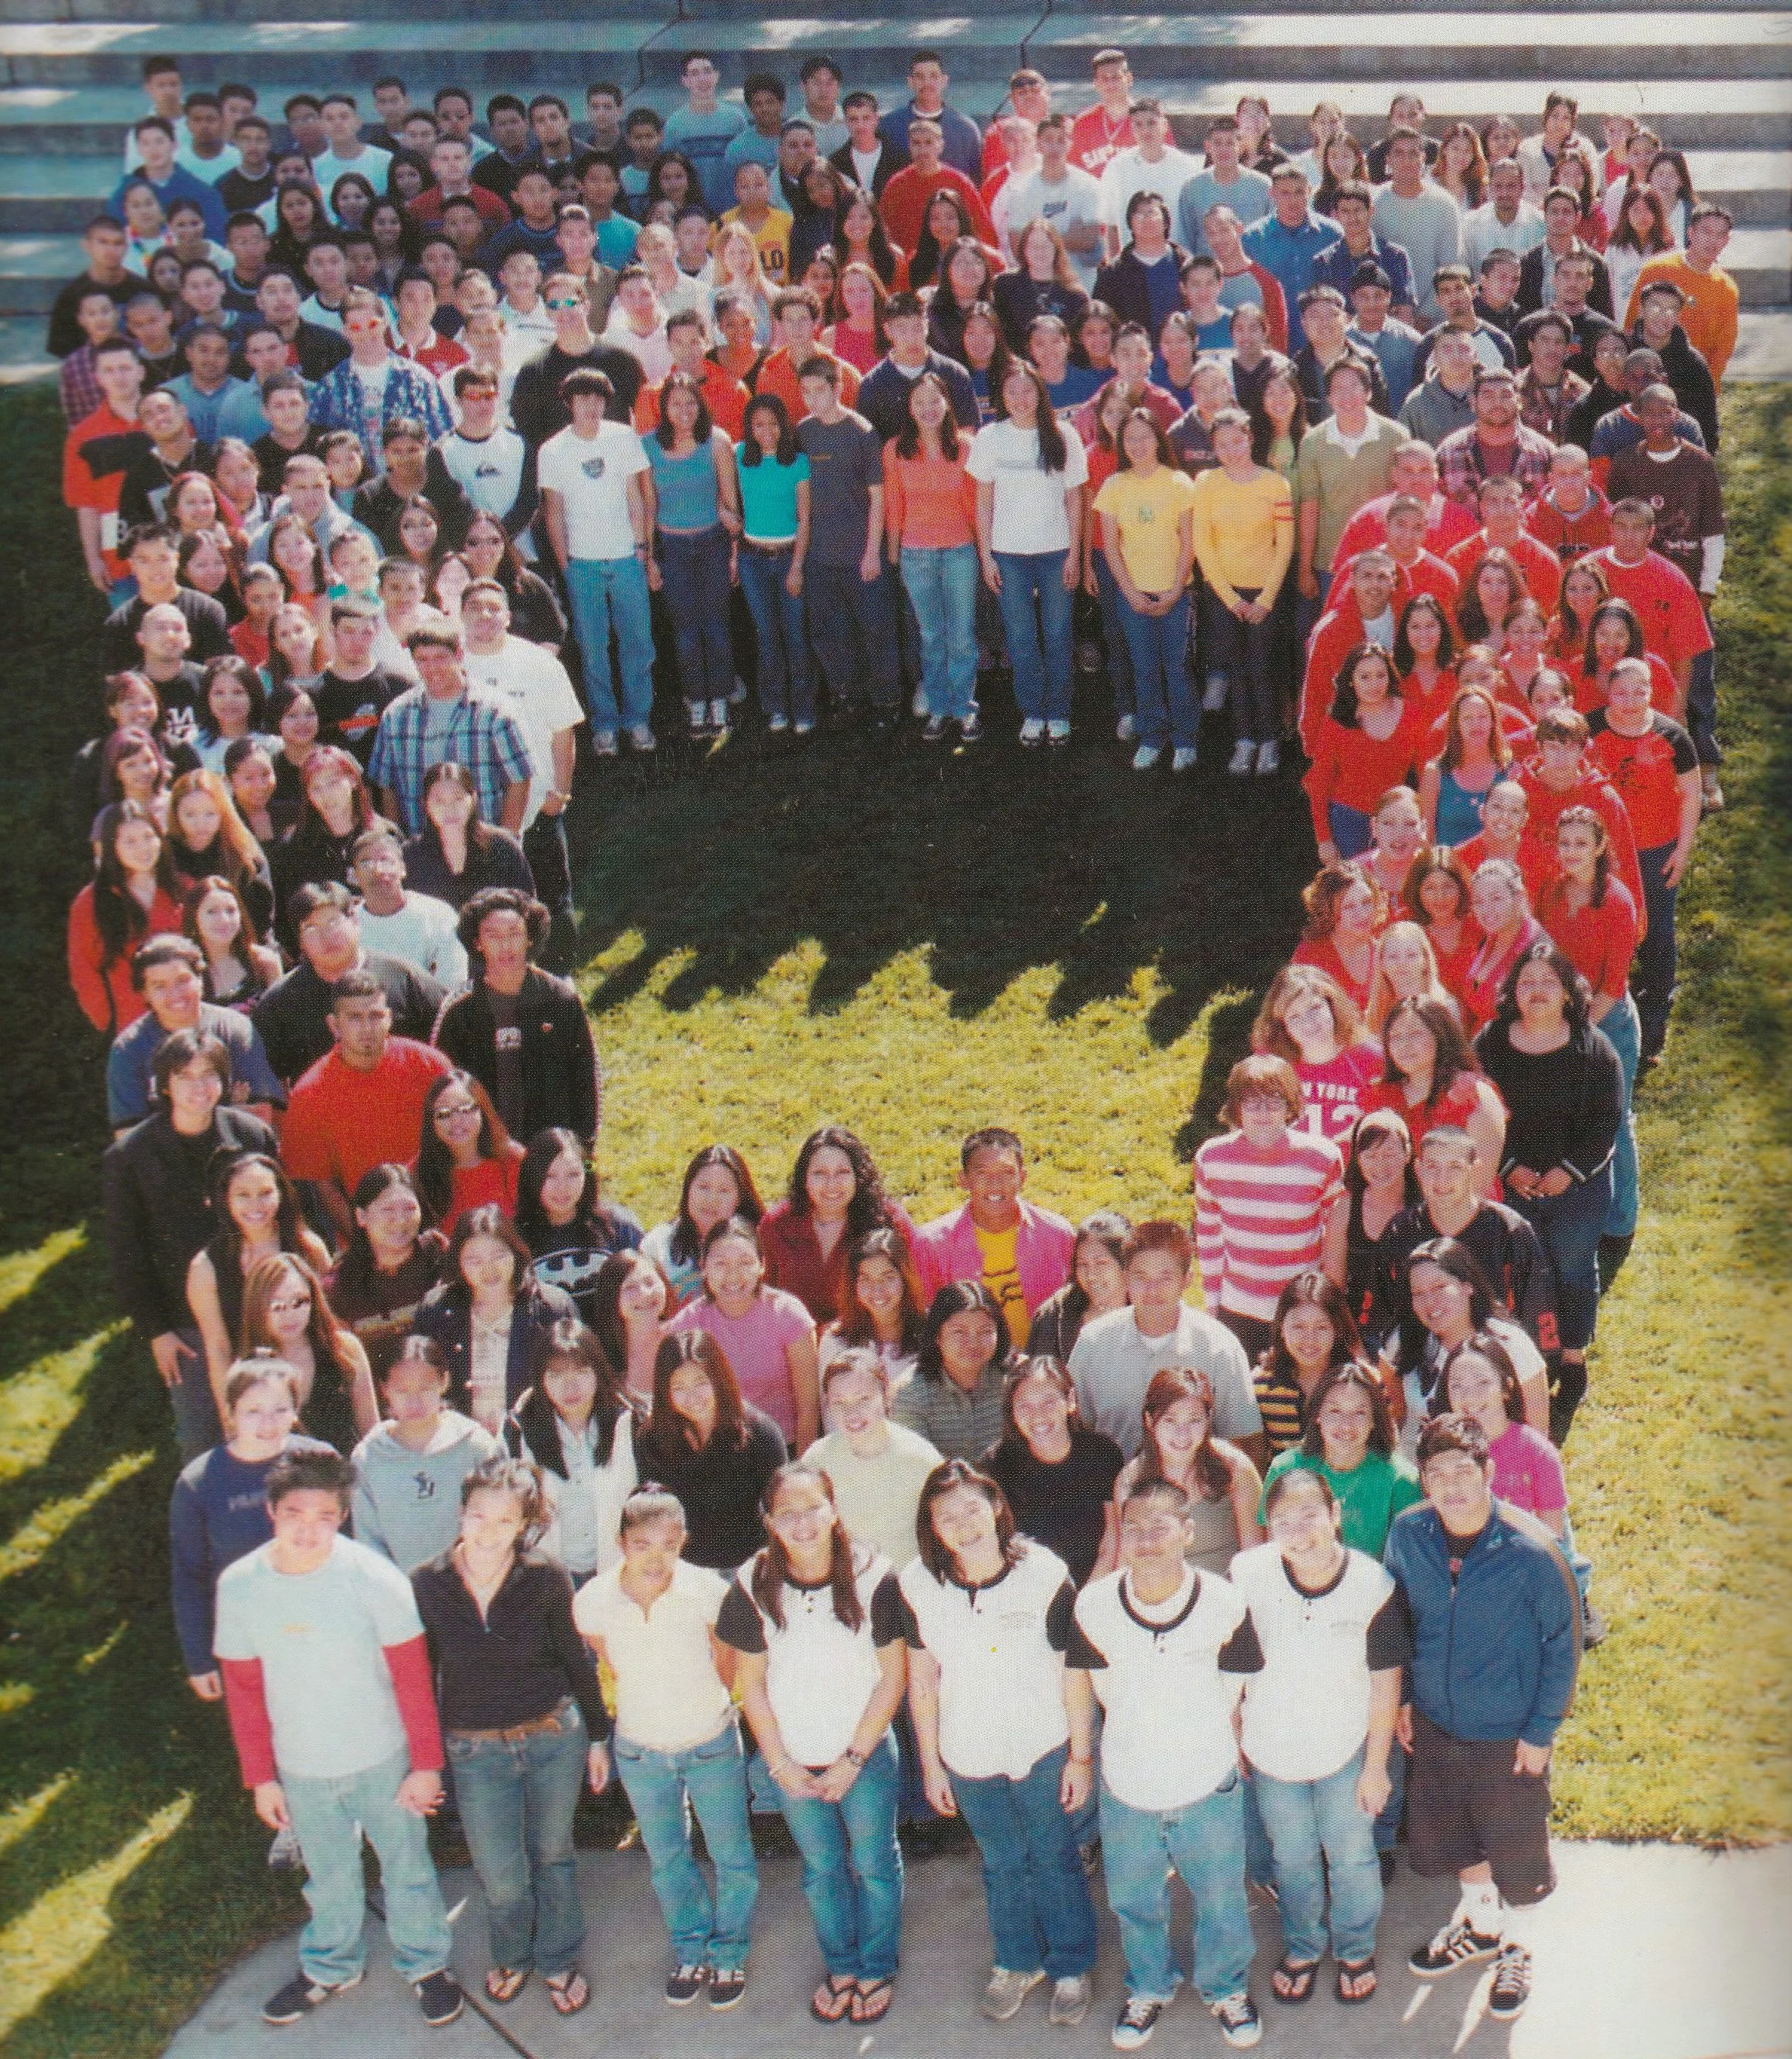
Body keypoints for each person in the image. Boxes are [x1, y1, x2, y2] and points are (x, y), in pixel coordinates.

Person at [213, 1449, 464, 2029]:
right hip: (303, 1768)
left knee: (406, 1864)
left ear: (344, 1516)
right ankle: (331, 1964)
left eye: (326, 1515)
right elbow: (245, 1693)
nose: (309, 1528)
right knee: (328, 1873)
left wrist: (425, 1764)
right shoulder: (241, 1587)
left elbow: (412, 1676)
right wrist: (262, 1778)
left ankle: (427, 1964)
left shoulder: (373, 1577)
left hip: (383, 1758)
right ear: (272, 1511)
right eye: (295, 1512)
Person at [1389, 1414, 1580, 2024]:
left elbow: (1561, 1643)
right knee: (1457, 1836)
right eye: (1436, 1472)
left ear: (1490, 1472)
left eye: (1463, 1470)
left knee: (1515, 1847)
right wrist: (1403, 1700)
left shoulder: (1529, 1548)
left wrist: (1540, 1730)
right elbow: (1396, 1624)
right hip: (1439, 1724)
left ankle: (1518, 1947)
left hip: (1508, 1732)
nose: (1451, 1485)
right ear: (1423, 1479)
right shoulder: (1409, 1533)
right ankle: (1482, 1923)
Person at [899, 1459, 1099, 2026]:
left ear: (996, 1507)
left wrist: (1080, 1756)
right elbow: (921, 1679)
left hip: (1042, 1745)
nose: (963, 1524)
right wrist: (933, 1765)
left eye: (972, 1507)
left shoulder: (1043, 1573)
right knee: (1002, 1860)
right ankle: (1016, 1961)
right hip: (968, 1751)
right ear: (931, 1528)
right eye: (946, 1516)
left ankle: (1070, 1964)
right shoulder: (917, 1584)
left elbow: (1074, 1671)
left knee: (1053, 1857)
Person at [1068, 1476, 1264, 2052]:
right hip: (1128, 1785)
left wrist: (1194, 1736)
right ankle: (1149, 1985)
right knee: (1133, 1899)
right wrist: (1087, 1757)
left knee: (1222, 1897)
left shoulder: (1225, 1602)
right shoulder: (1095, 1605)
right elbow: (1088, 1686)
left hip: (1208, 1782)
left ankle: (1226, 1988)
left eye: (1160, 1526)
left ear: (1188, 1532)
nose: (1147, 1539)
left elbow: (1237, 1682)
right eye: (1135, 1528)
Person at [410, 1455, 610, 2016]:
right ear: (461, 1514)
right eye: (479, 1517)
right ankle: (511, 1952)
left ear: (525, 1524)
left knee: (552, 1851)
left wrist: (597, 1737)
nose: (490, 1533)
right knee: (500, 1871)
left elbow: (577, 1660)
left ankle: (559, 1957)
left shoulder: (546, 1577)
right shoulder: (427, 1584)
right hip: (475, 1751)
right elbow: (419, 1678)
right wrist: (424, 1759)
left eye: (505, 1521)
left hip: (553, 1737)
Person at [718, 1461, 907, 2027]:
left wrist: (853, 1759)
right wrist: (779, 1764)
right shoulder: (754, 1582)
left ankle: (876, 1964)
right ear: (770, 1523)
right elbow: (750, 1684)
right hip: (793, 1760)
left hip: (863, 1755)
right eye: (787, 1512)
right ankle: (842, 1964)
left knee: (874, 1863)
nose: (802, 1523)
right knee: (822, 1869)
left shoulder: (876, 1576)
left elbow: (892, 1679)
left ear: (834, 1510)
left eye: (813, 1508)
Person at [573, 1486, 760, 2010]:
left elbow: (728, 1665)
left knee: (731, 1855)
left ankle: (729, 1950)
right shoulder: (592, 1600)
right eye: (642, 1544)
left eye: (670, 1544)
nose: (656, 1558)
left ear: (684, 1542)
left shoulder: (708, 1591)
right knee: (667, 1857)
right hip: (640, 1750)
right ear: (621, 1544)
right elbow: (606, 1665)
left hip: (709, 1742)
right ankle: (690, 1945)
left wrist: (716, 1710)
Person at [1231, 1467, 1405, 2006]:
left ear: (1335, 1516)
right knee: (1293, 1857)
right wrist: (1232, 1733)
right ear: (1267, 1526)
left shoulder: (1372, 1585)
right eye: (1283, 1519)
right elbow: (1233, 1665)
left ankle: (1355, 1947)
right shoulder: (1247, 1574)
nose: (1298, 1529)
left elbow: (1385, 1685)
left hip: (1344, 1749)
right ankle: (1304, 1945)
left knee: (1351, 1854)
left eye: (1310, 1514)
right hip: (1271, 1749)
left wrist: (1376, 1768)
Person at [103, 1029, 279, 1456]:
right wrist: (157, 1331)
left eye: (210, 1075)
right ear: (164, 1084)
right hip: (186, 1323)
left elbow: (287, 1215)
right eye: (186, 1076)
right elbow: (128, 1255)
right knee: (207, 1438)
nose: (200, 1087)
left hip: (260, 1306)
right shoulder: (131, 1158)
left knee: (279, 1422)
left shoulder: (252, 1136)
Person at [1473, 941, 1622, 1436]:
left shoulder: (1592, 1047)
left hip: (1578, 1184)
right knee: (1522, 1273)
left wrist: (1568, 1174)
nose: (1537, 991)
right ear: (1513, 991)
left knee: (1572, 1266)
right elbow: (1478, 1113)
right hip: (1513, 1180)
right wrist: (1510, 1167)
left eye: (1548, 982)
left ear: (1566, 992)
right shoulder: (1490, 1044)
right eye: (1527, 982)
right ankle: (1530, 1360)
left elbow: (1607, 1123)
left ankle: (1573, 1361)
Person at [170, 1355, 337, 1702]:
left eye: (280, 1409)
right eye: (253, 1411)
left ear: (295, 1410)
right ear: (231, 1413)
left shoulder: (321, 1462)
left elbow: (353, 1546)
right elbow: (189, 1576)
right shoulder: (199, 1482)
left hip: (325, 1622)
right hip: (251, 1634)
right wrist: (199, 1660)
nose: (268, 1423)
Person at [1069, 1219, 1264, 1463]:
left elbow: (1245, 1441)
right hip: (1115, 1491)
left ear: (1186, 1280)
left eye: (1165, 1277)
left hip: (1197, 1494)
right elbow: (1076, 1430)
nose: (1152, 1289)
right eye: (1141, 1277)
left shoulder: (1219, 1347)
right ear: (1126, 1278)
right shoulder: (1093, 1343)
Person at [278, 966, 451, 1239]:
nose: (367, 1028)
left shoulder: (429, 1065)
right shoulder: (309, 1094)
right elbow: (321, 1184)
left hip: (443, 1214)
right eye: (355, 1018)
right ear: (334, 1025)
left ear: (390, 1018)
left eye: (376, 1016)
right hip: (368, 1231)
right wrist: (367, 1246)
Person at [1194, 1056, 1346, 1365]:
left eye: (1273, 1102)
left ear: (1290, 1105)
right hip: (1238, 1309)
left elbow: (1336, 1237)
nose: (1263, 1114)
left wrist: (1330, 1304)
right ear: (1236, 1108)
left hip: (1303, 1311)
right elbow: (1209, 1237)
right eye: (1252, 1104)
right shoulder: (1211, 1159)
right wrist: (1212, 1306)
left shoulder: (1322, 1157)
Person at [536, 366, 656, 754]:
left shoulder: (623, 438)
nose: (592, 406)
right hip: (582, 563)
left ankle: (637, 720)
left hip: (627, 557)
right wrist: (566, 562)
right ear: (569, 403)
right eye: (583, 398)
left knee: (638, 641)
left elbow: (641, 495)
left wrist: (643, 547)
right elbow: (553, 512)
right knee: (593, 646)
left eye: (599, 398)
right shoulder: (553, 450)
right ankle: (604, 724)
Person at [1588, 655, 1701, 1061]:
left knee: (1658, 934)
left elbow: (1691, 792)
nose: (1632, 700)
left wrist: (1684, 848)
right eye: (1624, 691)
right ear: (1610, 691)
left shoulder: (1672, 736)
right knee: (1608, 932)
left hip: (1657, 852)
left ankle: (1654, 1024)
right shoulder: (1592, 729)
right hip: (1606, 855)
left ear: (1652, 692)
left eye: (1641, 691)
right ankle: (1603, 1013)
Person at [969, 362, 1087, 746]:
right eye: (1013, 390)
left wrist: (1074, 555)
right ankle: (1033, 713)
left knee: (1057, 634)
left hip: (1056, 553)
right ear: (1003, 396)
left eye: (1028, 390)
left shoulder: (1062, 435)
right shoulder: (990, 437)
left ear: (1039, 394)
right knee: (1020, 637)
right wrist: (986, 555)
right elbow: (982, 502)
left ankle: (1060, 713)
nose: (1021, 398)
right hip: (1008, 555)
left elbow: (1075, 500)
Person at [433, 887, 602, 1148]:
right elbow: (443, 1088)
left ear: (529, 938)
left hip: (552, 1156)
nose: (505, 945)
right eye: (492, 935)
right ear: (477, 942)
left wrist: (584, 1155)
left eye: (514, 933)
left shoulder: (560, 999)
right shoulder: (459, 1011)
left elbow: (587, 1084)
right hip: (485, 1153)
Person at [794, 356, 901, 731]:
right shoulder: (804, 432)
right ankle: (847, 695)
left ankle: (886, 702)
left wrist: (873, 551)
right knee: (828, 629)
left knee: (875, 628)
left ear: (837, 389)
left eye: (819, 391)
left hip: (860, 551)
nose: (811, 400)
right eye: (805, 392)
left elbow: (878, 497)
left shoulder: (862, 433)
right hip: (820, 553)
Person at [413, 1206, 579, 1437]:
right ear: (458, 1262)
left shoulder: (550, 1307)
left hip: (534, 1443)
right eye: (474, 1260)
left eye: (499, 1255)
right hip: (460, 1444)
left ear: (515, 1253)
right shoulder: (436, 1309)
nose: (489, 1269)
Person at [1093, 406, 1197, 773]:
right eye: (1131, 438)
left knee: (1177, 668)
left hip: (1174, 594)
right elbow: (1111, 546)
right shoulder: (1114, 486)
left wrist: (1173, 592)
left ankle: (1185, 738)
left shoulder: (1180, 483)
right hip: (1132, 595)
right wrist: (1131, 593)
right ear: (1122, 443)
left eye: (1145, 436)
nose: (1138, 444)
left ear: (1159, 438)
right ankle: (1153, 735)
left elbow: (1189, 544)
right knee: (1144, 667)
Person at [882, 371, 981, 741]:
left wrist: (982, 553)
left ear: (946, 404)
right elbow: (895, 501)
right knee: (931, 631)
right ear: (909, 406)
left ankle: (965, 708)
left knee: (961, 633)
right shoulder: (896, 449)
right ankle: (939, 708)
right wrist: (894, 549)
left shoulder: (965, 447)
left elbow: (975, 506)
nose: (927, 407)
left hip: (960, 551)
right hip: (915, 552)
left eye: (934, 400)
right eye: (919, 400)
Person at [636, 1329, 787, 1569]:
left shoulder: (760, 1432)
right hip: (684, 1569)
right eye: (679, 1388)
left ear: (719, 1379)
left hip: (751, 1565)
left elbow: (782, 1507)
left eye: (700, 1383)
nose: (692, 1397)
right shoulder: (652, 1437)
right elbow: (652, 1510)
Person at [910, 1127, 1074, 1347]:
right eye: (982, 1173)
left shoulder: (1056, 1234)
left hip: (1045, 1362)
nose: (995, 1183)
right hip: (973, 1366)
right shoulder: (933, 1243)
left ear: (1022, 1178)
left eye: (1006, 1173)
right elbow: (925, 1318)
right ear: (963, 1180)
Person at [350, 1334, 502, 1570]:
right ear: (384, 1390)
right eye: (402, 1391)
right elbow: (369, 1540)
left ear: (444, 1382)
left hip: (475, 1585)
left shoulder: (476, 1446)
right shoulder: (369, 1458)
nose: (415, 1402)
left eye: (425, 1389)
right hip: (402, 1592)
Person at [502, 1317, 636, 1584]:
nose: (570, 1386)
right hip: (550, 1578)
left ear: (598, 1372)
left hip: (619, 1573)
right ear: (540, 1379)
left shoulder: (630, 1423)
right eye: (556, 1375)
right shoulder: (518, 1429)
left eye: (581, 1372)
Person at [106, 933, 283, 1133]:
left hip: (236, 1153)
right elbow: (128, 1136)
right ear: (145, 993)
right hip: (164, 1161)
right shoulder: (129, 1048)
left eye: (183, 980)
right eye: (160, 986)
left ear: (200, 979)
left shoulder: (235, 1029)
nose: (175, 994)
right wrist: (229, 1109)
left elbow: (260, 1118)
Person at [670, 1216, 820, 1449]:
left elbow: (809, 1408)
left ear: (762, 1266)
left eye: (744, 1262)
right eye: (720, 1263)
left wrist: (799, 1471)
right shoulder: (688, 1324)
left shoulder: (788, 1315)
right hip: (716, 1451)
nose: (733, 1275)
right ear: (704, 1267)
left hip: (782, 1446)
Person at [983, 1356, 1124, 1586]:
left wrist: (1089, 1596)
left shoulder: (1101, 1453)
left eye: (1048, 1402)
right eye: (1024, 1406)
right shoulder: (998, 1462)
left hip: (1098, 1583)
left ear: (1070, 1401)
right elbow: (998, 1541)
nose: (1037, 1415)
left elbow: (1115, 1534)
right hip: (1028, 1587)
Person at [803, 1345, 941, 1567]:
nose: (852, 1412)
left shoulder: (921, 1457)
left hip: (906, 1582)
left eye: (863, 1399)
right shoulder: (816, 1460)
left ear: (885, 1396)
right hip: (846, 1581)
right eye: (839, 1403)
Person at [323, 1164, 448, 1380]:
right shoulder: (337, 1287)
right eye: (388, 1209)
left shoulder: (441, 1261)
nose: (400, 1220)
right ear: (361, 1217)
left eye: (409, 1208)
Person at [1365, 996, 1509, 1173]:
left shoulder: (1473, 1093)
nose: (1405, 1045)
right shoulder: (1377, 1095)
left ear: (1441, 1036)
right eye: (1395, 1037)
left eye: (1416, 1034)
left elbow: (1482, 1177)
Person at [514, 1128, 642, 1324]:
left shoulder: (619, 1225)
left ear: (587, 1174)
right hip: (548, 1350)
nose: (562, 1187)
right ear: (531, 1177)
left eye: (573, 1175)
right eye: (550, 1176)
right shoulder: (513, 1237)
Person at [399, 759, 536, 910]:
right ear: (425, 805)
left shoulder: (503, 848)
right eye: (439, 801)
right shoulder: (410, 855)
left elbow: (528, 911)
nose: (449, 809)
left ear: (473, 799)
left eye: (458, 799)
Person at [640, 1144, 764, 1311]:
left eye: (724, 1191)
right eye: (703, 1187)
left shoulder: (760, 1241)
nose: (711, 1200)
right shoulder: (658, 1243)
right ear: (688, 1190)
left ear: (740, 1198)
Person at [821, 1228, 928, 1389]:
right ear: (853, 1285)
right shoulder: (836, 1341)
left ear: (906, 1279)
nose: (878, 1291)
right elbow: (831, 1409)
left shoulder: (934, 1331)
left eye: (888, 1278)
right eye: (866, 1280)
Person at [1026, 1210, 1131, 1366]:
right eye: (1082, 1264)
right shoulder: (1053, 1315)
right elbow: (1037, 1378)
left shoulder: (1154, 1310)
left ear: (1126, 1265)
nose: (1091, 1276)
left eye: (1101, 1264)